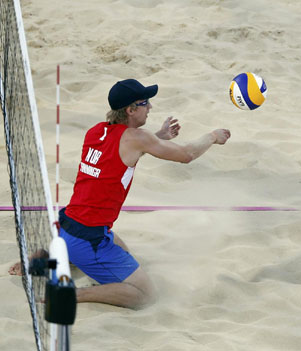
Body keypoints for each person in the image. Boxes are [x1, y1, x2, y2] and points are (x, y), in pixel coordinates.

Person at [10, 79, 231, 309]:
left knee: (127, 255)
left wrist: (159, 137)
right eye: (146, 103)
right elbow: (187, 154)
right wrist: (213, 137)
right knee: (145, 296)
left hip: (66, 225)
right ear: (131, 109)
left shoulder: (96, 132)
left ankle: (46, 258)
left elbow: (121, 155)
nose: (151, 108)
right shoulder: (138, 138)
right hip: (88, 237)